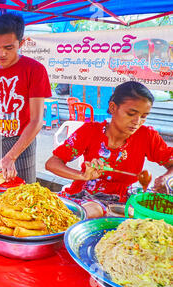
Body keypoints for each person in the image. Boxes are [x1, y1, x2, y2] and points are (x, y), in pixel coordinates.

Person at [45, 81, 173, 218]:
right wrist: (83, 176)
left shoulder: (147, 136)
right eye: (131, 113)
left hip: (123, 201)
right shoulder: (90, 131)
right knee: (88, 211)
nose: (137, 121)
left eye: (143, 116)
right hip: (85, 197)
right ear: (113, 108)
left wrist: (166, 178)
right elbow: (52, 163)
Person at [0, 13, 51, 183]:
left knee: (23, 198)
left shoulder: (35, 70)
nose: (1, 54)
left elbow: (37, 121)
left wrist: (12, 156)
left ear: (21, 43)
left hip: (22, 144)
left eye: (8, 48)